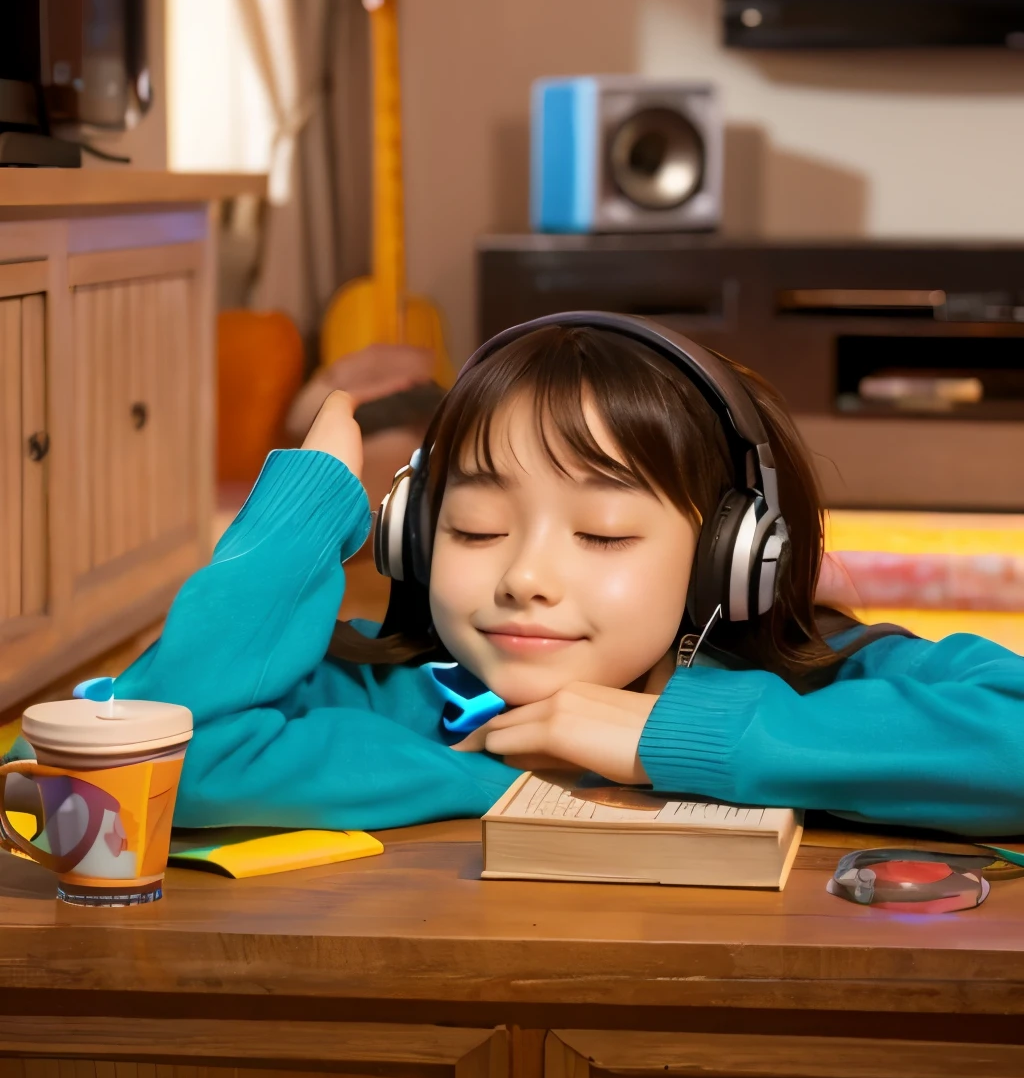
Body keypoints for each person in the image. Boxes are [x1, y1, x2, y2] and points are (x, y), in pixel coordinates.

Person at [114, 315, 1024, 838]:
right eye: (474, 528)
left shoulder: (834, 679)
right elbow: (144, 762)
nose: (526, 577)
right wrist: (299, 521)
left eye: (602, 532)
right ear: (415, 539)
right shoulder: (404, 706)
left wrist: (669, 737)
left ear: (730, 557)